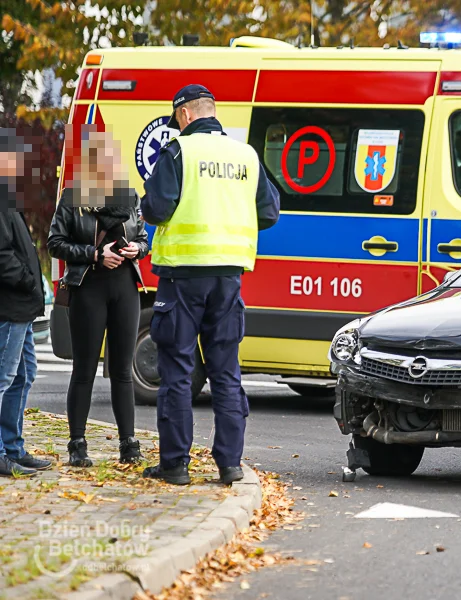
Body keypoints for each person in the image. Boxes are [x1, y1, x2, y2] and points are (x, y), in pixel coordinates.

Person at [140, 84, 279, 485]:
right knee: (225, 372)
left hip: (184, 277)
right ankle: (230, 464)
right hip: (228, 279)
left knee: (179, 372)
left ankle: (176, 465)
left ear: (184, 115)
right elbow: (268, 213)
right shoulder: (246, 155)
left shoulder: (179, 152)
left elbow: (157, 208)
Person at [48, 129, 149, 467]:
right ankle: (77, 444)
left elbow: (145, 238)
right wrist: (94, 254)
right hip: (88, 287)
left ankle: (128, 443)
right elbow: (55, 243)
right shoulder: (73, 197)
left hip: (125, 289)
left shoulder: (129, 197)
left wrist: (138, 249)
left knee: (121, 370)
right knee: (84, 370)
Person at [0, 128, 51, 477]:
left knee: (24, 374)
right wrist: (29, 281)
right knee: (3, 378)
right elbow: (3, 256)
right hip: (10, 305)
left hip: (23, 306)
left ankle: (13, 448)